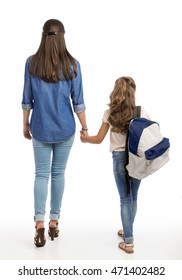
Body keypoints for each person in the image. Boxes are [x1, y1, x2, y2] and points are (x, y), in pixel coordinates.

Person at [22, 19, 88, 247]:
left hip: (39, 128)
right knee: (58, 174)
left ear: (43, 36)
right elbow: (78, 102)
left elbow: (26, 99)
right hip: (65, 129)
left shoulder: (31, 63)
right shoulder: (73, 64)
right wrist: (85, 129)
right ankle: (53, 222)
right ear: (62, 36)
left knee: (41, 175)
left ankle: (39, 224)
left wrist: (25, 124)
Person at [80, 76, 150, 254]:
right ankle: (128, 231)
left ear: (116, 92)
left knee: (125, 198)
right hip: (137, 157)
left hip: (119, 158)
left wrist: (84, 139)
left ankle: (128, 241)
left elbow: (98, 139)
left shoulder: (109, 113)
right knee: (133, 197)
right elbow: (151, 135)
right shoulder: (141, 112)